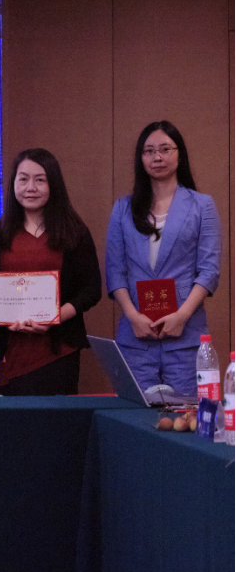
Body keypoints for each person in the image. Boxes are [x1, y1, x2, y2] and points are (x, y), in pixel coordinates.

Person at [105, 121, 220, 396]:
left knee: (186, 415)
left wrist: (182, 315)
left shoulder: (202, 205)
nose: (157, 157)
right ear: (141, 158)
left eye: (165, 149)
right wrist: (132, 316)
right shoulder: (123, 208)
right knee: (135, 416)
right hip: (136, 335)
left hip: (185, 334)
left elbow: (209, 270)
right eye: (149, 151)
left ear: (179, 154)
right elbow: (115, 271)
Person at [0, 149, 102, 395]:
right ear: (13, 183)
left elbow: (91, 289)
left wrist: (55, 317)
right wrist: (5, 319)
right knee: (13, 416)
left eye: (40, 179)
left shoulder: (74, 232)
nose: (31, 187)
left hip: (59, 348)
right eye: (23, 179)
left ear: (54, 184)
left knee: (56, 416)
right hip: (12, 349)